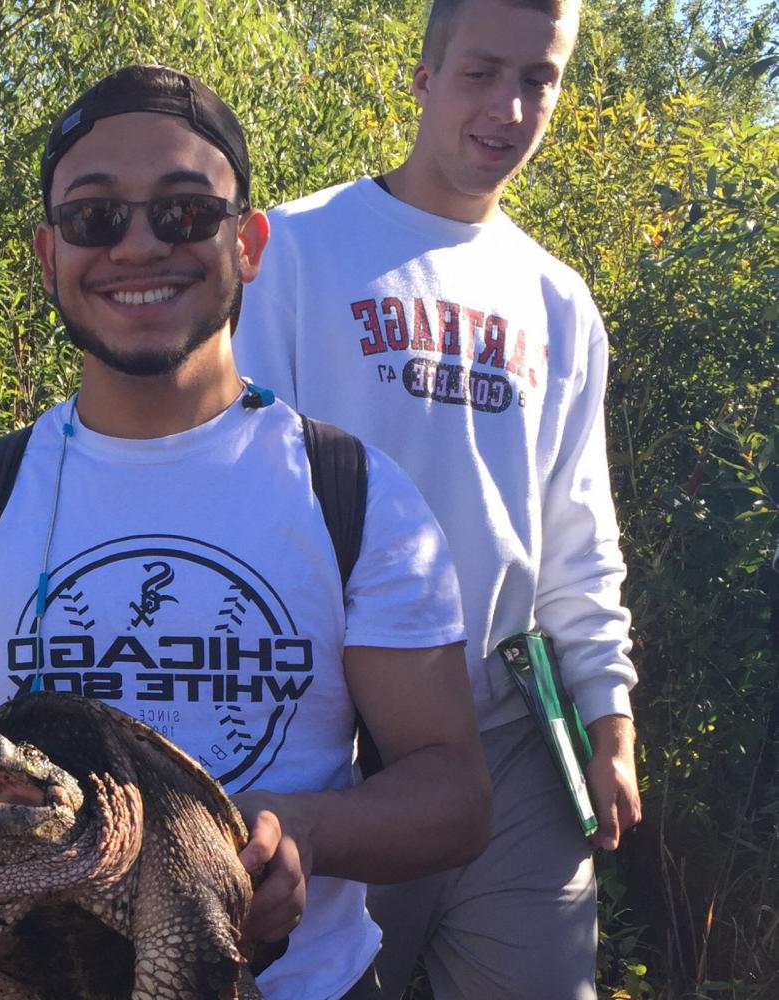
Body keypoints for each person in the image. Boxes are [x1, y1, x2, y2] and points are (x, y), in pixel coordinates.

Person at [0, 64, 492, 999]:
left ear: (250, 242)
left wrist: (291, 831)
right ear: (48, 254)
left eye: (185, 213)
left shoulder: (356, 496)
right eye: (95, 218)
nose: (138, 246)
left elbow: (455, 795)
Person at [232, 1, 643, 997]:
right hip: (336, 749)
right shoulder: (294, 250)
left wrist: (610, 717)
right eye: (480, 71)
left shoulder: (558, 301)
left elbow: (577, 532)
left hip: (512, 740)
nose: (508, 106)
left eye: (539, 78)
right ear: (422, 77)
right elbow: (244, 497)